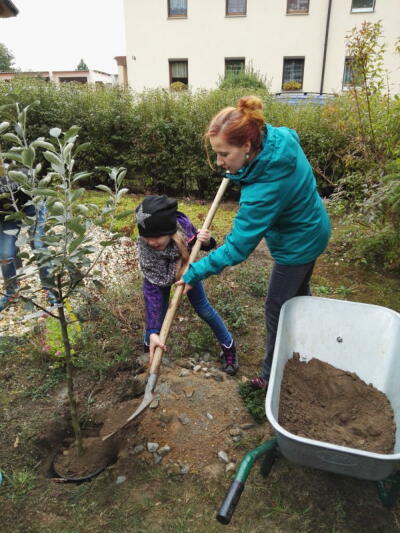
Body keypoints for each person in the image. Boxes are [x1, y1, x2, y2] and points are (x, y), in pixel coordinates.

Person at [178, 95, 331, 390]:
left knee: (277, 306)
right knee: (298, 297)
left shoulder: (265, 190)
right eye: (217, 154)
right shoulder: (278, 138)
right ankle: (310, 343)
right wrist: (244, 170)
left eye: (224, 154)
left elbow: (238, 247)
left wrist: (195, 271)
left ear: (247, 146)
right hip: (314, 225)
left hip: (298, 243)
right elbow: (291, 136)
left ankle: (270, 374)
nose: (220, 163)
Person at [135, 194, 238, 375]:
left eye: (157, 237)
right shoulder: (146, 248)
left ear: (169, 231)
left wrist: (205, 240)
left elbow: (205, 245)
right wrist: (152, 331)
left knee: (203, 309)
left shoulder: (182, 227)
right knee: (155, 316)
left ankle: (228, 346)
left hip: (187, 272)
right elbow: (151, 291)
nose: (151, 242)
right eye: (146, 238)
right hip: (158, 279)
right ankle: (148, 350)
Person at [0, 166, 56, 311]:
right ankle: (11, 292)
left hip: (32, 205)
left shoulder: (16, 174)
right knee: (5, 254)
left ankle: (50, 288)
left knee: (38, 245)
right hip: (7, 213)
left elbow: (37, 188)